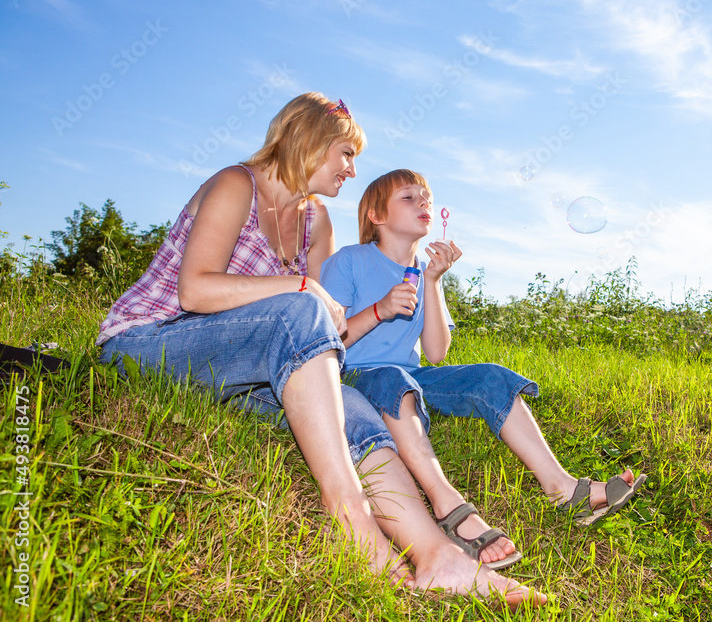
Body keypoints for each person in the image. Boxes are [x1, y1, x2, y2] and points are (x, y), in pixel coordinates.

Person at [96, 94, 545, 607]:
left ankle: (437, 555)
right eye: (345, 154)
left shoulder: (318, 220)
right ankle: (354, 521)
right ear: (307, 139)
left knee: (350, 404)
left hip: (241, 365)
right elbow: (194, 293)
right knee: (299, 303)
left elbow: (326, 327)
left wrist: (315, 294)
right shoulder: (236, 184)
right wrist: (304, 287)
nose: (352, 170)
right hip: (149, 342)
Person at [320, 168, 646, 569]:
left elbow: (437, 353)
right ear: (375, 215)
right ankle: (447, 503)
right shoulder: (350, 261)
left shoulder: (423, 274)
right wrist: (379, 310)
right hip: (354, 376)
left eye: (426, 196)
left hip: (411, 376)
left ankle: (564, 489)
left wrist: (434, 281)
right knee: (393, 378)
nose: (424, 203)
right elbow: (326, 339)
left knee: (490, 376)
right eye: (409, 197)